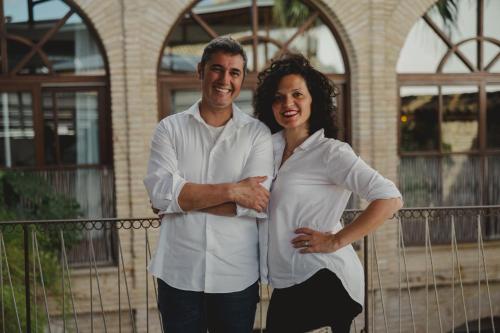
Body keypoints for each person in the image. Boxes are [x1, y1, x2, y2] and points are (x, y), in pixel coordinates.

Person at [254, 53, 403, 333]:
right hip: (287, 280)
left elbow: (390, 197)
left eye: (297, 94)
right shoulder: (268, 150)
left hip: (324, 275)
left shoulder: (330, 153)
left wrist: (336, 240)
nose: (287, 103)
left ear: (313, 100)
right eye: (278, 97)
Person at [144, 37, 274, 333]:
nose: (224, 79)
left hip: (236, 276)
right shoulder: (169, 129)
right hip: (178, 272)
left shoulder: (257, 135)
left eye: (234, 72)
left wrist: (183, 199)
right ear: (201, 71)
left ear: (241, 79)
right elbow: (162, 194)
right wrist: (233, 191)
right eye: (217, 69)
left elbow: (256, 205)